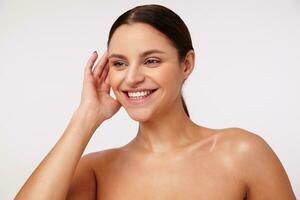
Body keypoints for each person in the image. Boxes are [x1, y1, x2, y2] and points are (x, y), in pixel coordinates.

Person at [15, 4, 296, 200]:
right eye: (119, 63)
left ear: (186, 64)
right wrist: (85, 117)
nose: (133, 77)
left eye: (151, 61)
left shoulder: (242, 153)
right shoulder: (96, 171)